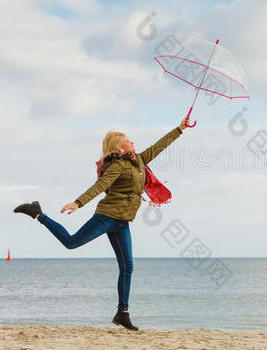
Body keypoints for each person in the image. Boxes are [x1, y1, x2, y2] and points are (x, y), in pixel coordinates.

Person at [13, 117, 190, 331]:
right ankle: (38, 213)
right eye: (128, 140)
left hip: (122, 221)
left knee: (127, 267)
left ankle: (122, 313)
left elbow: (159, 146)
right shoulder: (117, 166)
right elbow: (100, 185)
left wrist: (180, 129)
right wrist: (79, 202)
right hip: (107, 217)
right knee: (71, 243)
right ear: (119, 146)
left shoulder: (140, 160)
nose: (133, 142)